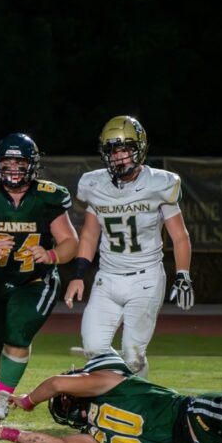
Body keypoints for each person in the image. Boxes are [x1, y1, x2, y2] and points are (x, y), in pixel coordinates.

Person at [64, 116, 193, 378]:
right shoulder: (94, 184)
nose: (119, 157)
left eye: (125, 149)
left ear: (140, 149)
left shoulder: (160, 183)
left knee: (133, 356)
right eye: (113, 151)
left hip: (145, 278)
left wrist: (183, 275)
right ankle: (112, 394)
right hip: (107, 278)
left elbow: (179, 236)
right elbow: (89, 235)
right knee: (93, 348)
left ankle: (139, 404)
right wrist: (78, 275)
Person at [0, 133, 78, 420]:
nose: (13, 168)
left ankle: (1, 401)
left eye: (19, 162)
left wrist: (51, 255)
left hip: (35, 280)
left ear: (32, 164)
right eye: (7, 161)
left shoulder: (48, 196)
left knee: (17, 333)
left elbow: (69, 242)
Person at [0, 353, 222, 443]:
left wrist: (4, 433)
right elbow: (57, 383)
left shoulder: (95, 435)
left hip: (198, 430)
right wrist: (28, 401)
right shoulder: (113, 383)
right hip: (200, 422)